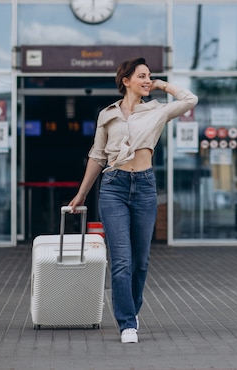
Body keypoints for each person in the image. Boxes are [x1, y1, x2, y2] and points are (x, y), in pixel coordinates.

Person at [69, 57, 198, 344]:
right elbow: (97, 156)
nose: (147, 80)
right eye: (142, 76)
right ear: (125, 81)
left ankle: (132, 310)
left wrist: (163, 84)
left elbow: (190, 99)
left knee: (141, 261)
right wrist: (82, 193)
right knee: (122, 261)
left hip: (144, 187)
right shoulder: (107, 114)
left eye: (149, 76)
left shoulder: (157, 111)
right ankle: (127, 323)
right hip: (113, 187)